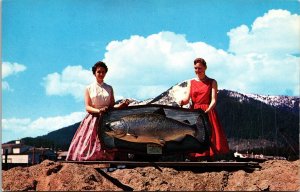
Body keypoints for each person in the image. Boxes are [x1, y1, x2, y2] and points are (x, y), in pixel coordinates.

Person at [66, 61, 129, 161]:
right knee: (90, 140)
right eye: (99, 72)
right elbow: (87, 107)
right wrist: (99, 111)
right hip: (94, 117)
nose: (101, 74)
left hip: (107, 118)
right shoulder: (89, 88)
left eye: (103, 72)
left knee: (108, 140)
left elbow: (111, 106)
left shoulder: (109, 88)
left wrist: (121, 105)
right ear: (94, 73)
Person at [179, 58, 229, 159]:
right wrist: (182, 102)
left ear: (205, 68)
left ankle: (209, 157)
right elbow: (187, 98)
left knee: (210, 134)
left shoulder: (212, 82)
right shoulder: (191, 82)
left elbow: (214, 100)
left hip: (207, 110)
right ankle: (194, 155)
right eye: (195, 68)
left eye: (200, 68)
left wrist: (208, 110)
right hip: (194, 111)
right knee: (193, 133)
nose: (197, 70)